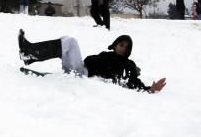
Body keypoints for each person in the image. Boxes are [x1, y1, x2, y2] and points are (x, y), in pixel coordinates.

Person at [18, 30, 166, 93]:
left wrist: (150, 90)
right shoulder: (106, 54)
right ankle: (30, 56)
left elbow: (134, 83)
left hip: (82, 75)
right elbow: (90, 60)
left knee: (70, 42)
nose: (123, 49)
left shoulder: (128, 65)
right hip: (79, 69)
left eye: (126, 48)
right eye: (121, 45)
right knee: (65, 40)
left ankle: (29, 53)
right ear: (115, 44)